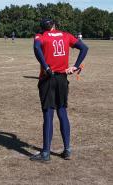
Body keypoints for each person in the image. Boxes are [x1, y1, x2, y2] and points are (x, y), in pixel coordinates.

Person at [30, 17, 88, 162]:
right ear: (54, 25)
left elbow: (37, 47)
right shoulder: (66, 35)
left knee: (48, 114)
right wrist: (75, 65)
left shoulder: (40, 36)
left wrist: (46, 67)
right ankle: (67, 149)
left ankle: (45, 153)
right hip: (63, 78)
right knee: (62, 111)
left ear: (43, 27)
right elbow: (84, 48)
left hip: (48, 79)